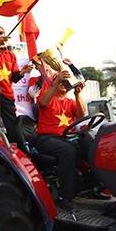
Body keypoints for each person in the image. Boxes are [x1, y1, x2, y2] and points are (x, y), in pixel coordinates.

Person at [35, 70, 86, 214]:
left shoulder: (70, 102)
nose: (63, 84)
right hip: (47, 139)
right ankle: (65, 197)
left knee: (91, 145)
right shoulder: (48, 98)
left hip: (66, 139)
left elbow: (82, 115)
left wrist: (77, 94)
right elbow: (44, 103)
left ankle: (92, 188)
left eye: (65, 82)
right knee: (67, 151)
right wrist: (56, 80)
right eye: (60, 82)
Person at [0, 25, 33, 144]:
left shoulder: (11, 55)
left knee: (13, 129)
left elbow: (14, 78)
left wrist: (22, 72)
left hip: (7, 94)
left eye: (0, 33)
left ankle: (19, 151)